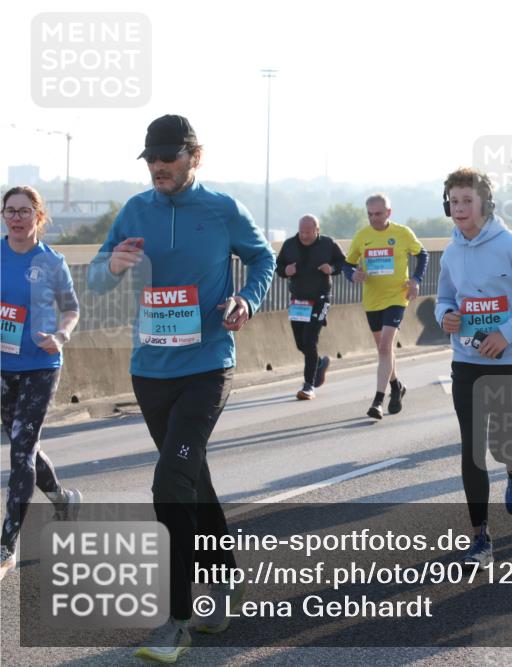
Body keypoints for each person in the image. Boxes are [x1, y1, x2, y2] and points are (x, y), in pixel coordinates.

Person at [87, 114, 276, 662]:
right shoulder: (135, 210)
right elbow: (99, 275)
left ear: (196, 155)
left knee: (171, 479)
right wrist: (113, 264)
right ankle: (226, 580)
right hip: (150, 372)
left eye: (168, 156)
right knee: (193, 477)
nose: (157, 167)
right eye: (150, 158)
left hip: (207, 364)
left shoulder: (223, 209)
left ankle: (175, 617)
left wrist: (247, 299)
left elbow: (262, 258)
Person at [435, 167, 512, 567]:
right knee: (472, 447)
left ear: (485, 204)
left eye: (467, 201)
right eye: (454, 202)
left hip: (511, 359)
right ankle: (480, 538)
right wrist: (446, 317)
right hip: (466, 359)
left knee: (500, 441)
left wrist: (507, 332)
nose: (459, 209)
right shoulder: (452, 251)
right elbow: (443, 299)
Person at [1, 186, 82, 582]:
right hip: (2, 367)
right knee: (26, 445)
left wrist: (61, 335)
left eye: (23, 211)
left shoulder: (51, 262)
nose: (16, 218)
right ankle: (63, 499)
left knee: (20, 449)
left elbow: (71, 309)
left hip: (41, 364)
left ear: (38, 216)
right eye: (9, 211)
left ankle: (7, 543)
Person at [345, 194, 428, 420]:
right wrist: (353, 274)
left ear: (388, 213)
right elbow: (348, 263)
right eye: (370, 214)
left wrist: (416, 280)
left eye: (378, 214)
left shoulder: (402, 233)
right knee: (384, 350)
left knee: (384, 347)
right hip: (372, 299)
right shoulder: (362, 236)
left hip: (396, 296)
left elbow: (423, 255)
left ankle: (378, 401)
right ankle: (396, 386)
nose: (374, 218)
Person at [275, 214, 346, 399]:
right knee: (301, 343)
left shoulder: (328, 244)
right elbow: (279, 266)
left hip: (320, 299)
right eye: (301, 231)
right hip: (298, 300)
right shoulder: (290, 244)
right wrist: (285, 271)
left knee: (310, 340)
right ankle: (320, 363)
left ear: (317, 230)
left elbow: (343, 262)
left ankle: (308, 386)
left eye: (308, 232)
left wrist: (331, 269)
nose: (304, 236)